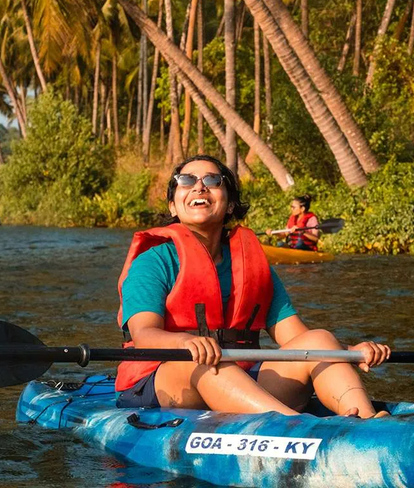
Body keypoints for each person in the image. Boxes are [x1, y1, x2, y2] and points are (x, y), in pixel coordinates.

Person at [114, 155, 389, 418]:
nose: (199, 186)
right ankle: (296, 426)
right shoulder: (153, 262)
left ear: (230, 204)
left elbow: (296, 339)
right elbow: (144, 334)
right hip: (162, 383)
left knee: (320, 340)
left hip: (238, 381)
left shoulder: (253, 268)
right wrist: (185, 341)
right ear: (173, 206)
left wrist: (348, 350)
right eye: (186, 180)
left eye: (212, 180)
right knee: (204, 361)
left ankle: (367, 420)